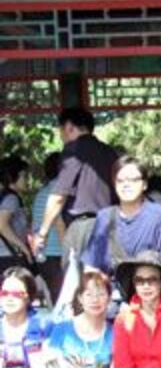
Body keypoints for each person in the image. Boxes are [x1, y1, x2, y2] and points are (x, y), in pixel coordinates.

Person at [33, 108, 119, 266]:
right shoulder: (110, 152)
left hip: (83, 228)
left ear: (69, 127)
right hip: (109, 226)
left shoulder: (73, 150)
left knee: (77, 277)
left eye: (61, 130)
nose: (61, 135)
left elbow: (59, 196)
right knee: (103, 277)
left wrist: (42, 233)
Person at [82, 156, 161, 276]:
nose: (126, 185)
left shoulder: (159, 215)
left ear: (144, 184)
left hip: (148, 285)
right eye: (120, 180)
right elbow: (91, 265)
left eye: (133, 180)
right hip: (111, 285)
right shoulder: (104, 217)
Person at [31, 152, 65, 300]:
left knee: (55, 298)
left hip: (43, 255)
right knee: (64, 300)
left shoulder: (41, 192)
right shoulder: (59, 192)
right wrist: (68, 251)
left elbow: (34, 224)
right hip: (57, 253)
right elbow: (59, 222)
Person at [0, 155, 33, 272]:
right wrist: (23, 247)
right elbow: (2, 225)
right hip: (8, 257)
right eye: (24, 176)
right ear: (12, 177)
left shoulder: (5, 197)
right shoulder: (11, 199)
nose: (27, 180)